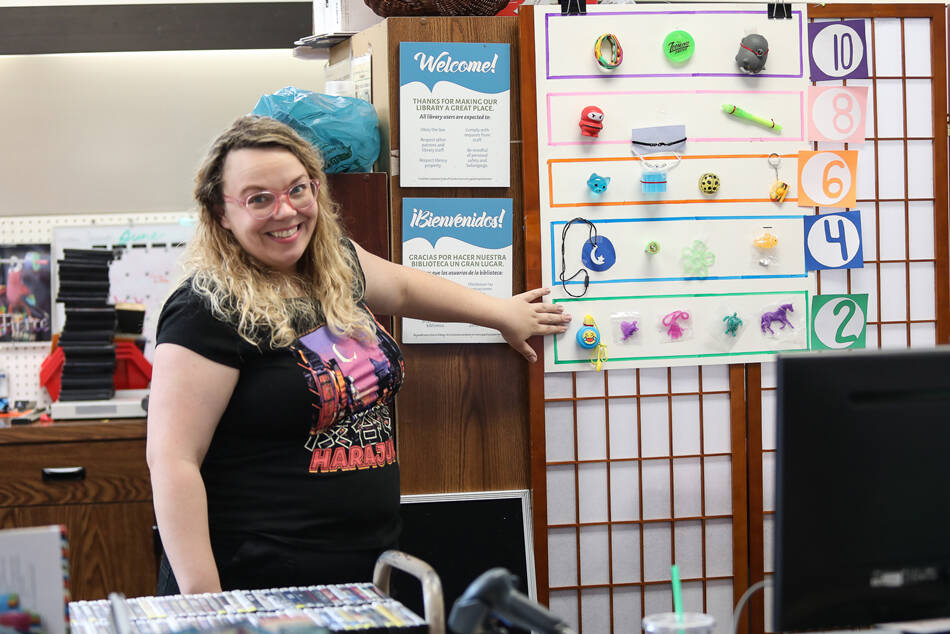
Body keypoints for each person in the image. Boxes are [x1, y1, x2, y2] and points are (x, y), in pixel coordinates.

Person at [146, 115, 571, 595]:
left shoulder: (334, 265)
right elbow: (173, 460)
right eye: (259, 199)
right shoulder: (206, 308)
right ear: (220, 212)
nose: (285, 211)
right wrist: (205, 604)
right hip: (256, 586)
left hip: (363, 571)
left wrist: (500, 313)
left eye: (298, 190)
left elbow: (405, 288)